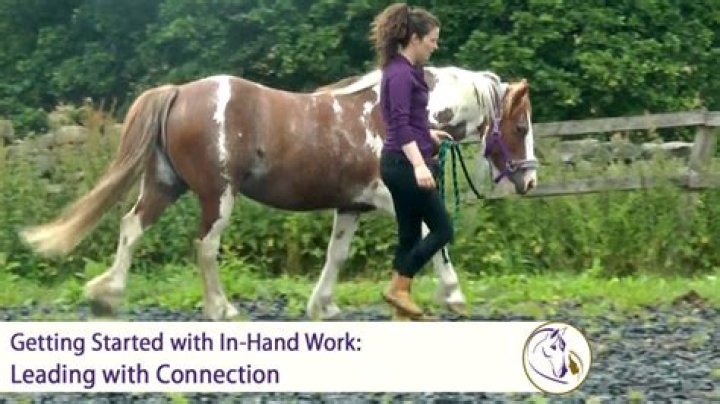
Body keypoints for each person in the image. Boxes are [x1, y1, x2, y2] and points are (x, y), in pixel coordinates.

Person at [370, 3, 453, 318]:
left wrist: (428, 133)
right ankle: (398, 288)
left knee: (409, 236)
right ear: (415, 39)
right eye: (432, 40)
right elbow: (399, 125)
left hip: (399, 161)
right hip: (404, 165)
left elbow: (408, 119)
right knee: (443, 230)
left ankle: (400, 311)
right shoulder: (401, 74)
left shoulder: (403, 70)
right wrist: (419, 165)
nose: (435, 46)